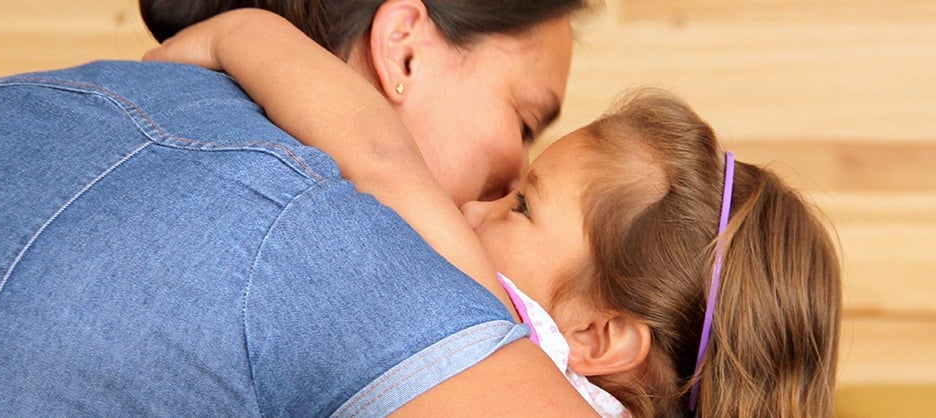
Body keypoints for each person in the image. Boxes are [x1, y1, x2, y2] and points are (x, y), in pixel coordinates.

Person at [0, 0, 600, 416]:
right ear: (404, 50)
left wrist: (240, 32)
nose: (515, 170)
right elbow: (382, 162)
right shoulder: (347, 251)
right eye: (527, 118)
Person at [144, 9, 844, 417]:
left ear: (596, 335)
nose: (479, 204)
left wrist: (239, 34)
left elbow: (379, 158)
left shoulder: (492, 330)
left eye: (521, 206)